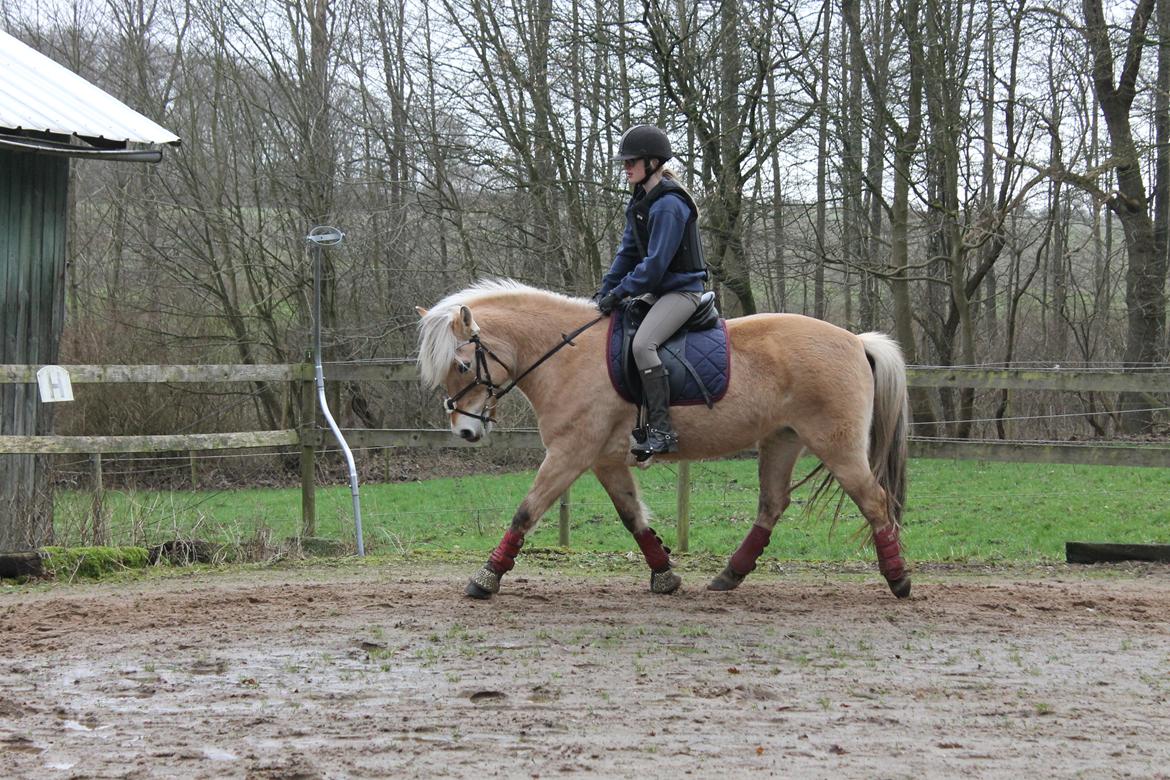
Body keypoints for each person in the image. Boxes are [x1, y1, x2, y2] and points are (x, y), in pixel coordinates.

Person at [594, 124, 708, 458]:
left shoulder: (669, 205)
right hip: (658, 292)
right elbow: (627, 253)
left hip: (682, 292)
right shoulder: (642, 201)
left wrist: (623, 290)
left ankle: (662, 430)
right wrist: (605, 292)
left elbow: (655, 265)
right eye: (625, 162)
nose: (626, 168)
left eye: (632, 162)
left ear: (653, 162)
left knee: (644, 345)